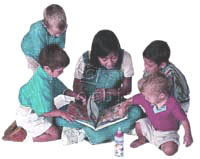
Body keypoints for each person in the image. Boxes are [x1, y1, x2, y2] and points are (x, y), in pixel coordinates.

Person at [55, 29, 143, 145]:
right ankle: (114, 130)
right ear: (96, 56)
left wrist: (109, 92)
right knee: (59, 117)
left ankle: (86, 134)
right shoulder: (84, 59)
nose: (110, 63)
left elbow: (127, 89)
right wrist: (81, 95)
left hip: (112, 105)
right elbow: (77, 84)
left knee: (137, 112)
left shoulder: (125, 57)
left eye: (114, 57)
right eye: (104, 59)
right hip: (87, 108)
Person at [16, 44, 84, 142]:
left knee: (56, 118)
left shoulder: (45, 73)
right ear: (47, 68)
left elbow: (59, 87)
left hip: (38, 107)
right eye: (59, 71)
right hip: (29, 115)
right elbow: (44, 112)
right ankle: (27, 137)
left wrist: (75, 95)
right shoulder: (41, 86)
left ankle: (30, 129)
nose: (62, 72)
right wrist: (62, 113)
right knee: (55, 134)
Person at [119, 73, 193, 156]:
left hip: (168, 133)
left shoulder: (173, 104)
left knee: (170, 150)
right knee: (139, 123)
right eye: (144, 96)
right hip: (152, 127)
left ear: (161, 96)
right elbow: (131, 100)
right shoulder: (146, 97)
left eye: (148, 97)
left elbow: (184, 120)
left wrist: (188, 134)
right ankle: (142, 138)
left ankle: (160, 143)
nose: (145, 98)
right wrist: (124, 106)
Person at [142, 40, 190, 113]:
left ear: (162, 65)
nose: (145, 67)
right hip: (159, 98)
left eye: (149, 65)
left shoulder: (171, 75)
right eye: (144, 63)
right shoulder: (151, 69)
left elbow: (172, 101)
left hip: (179, 103)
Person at [21, 4, 67, 72]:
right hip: (31, 50)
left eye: (61, 33)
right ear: (45, 25)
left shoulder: (61, 27)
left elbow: (60, 45)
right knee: (39, 70)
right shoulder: (37, 30)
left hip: (47, 45)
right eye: (56, 33)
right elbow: (39, 53)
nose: (58, 36)